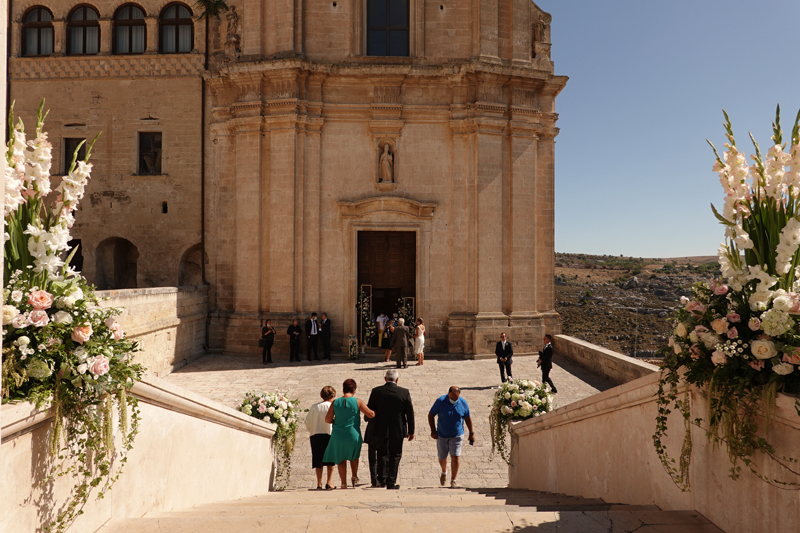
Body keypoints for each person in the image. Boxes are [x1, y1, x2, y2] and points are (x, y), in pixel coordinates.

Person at [367, 369, 415, 490]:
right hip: (397, 429)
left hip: (380, 427)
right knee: (395, 454)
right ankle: (391, 482)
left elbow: (370, 409)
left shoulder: (376, 391)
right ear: (397, 379)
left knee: (381, 453)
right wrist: (411, 430)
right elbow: (409, 413)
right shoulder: (404, 392)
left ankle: (381, 479)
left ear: (385, 379)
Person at [323, 378, 375, 489]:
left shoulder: (335, 402)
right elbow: (370, 414)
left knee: (341, 458)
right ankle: (354, 476)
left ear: (343, 389)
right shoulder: (358, 401)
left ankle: (343, 483)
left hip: (338, 433)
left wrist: (335, 421)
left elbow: (327, 419)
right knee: (354, 456)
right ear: (354, 389)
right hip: (353, 433)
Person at [428, 386, 474, 488]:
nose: (454, 400)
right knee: (442, 457)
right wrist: (433, 431)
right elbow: (431, 415)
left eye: (456, 399)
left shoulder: (463, 403)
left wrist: (471, 433)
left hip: (457, 435)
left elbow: (467, 418)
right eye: (452, 398)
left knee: (455, 457)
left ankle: (453, 480)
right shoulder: (440, 401)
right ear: (448, 394)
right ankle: (444, 472)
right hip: (442, 435)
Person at [305, 386, 337, 490]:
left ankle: (319, 483)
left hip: (316, 434)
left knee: (318, 459)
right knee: (330, 459)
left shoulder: (314, 406)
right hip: (329, 433)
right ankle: (329, 482)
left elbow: (308, 421)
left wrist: (312, 430)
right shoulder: (333, 406)